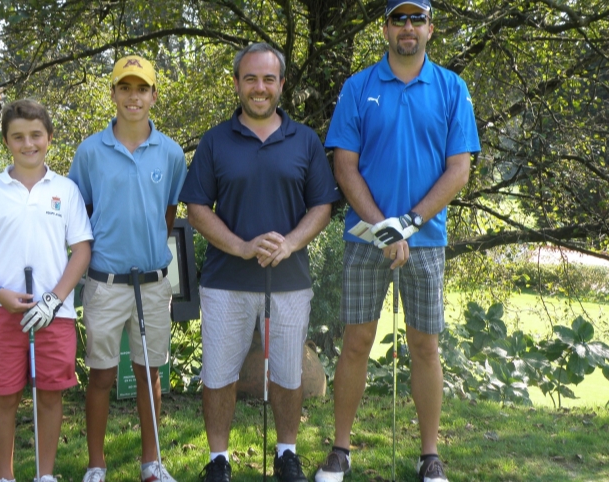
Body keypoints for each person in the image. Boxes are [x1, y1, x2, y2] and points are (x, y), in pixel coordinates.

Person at [314, 1, 481, 481]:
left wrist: (407, 223)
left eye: (417, 19)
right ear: (386, 28)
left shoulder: (452, 88)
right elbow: (344, 165)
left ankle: (430, 455)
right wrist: (384, 226)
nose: (408, 28)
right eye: (398, 19)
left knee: (426, 346)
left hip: (425, 240)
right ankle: (340, 449)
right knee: (356, 342)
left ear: (430, 27)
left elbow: (459, 170)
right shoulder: (358, 86)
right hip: (365, 236)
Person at [179, 42, 342, 482]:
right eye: (250, 78)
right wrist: (242, 246)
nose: (259, 87)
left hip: (288, 280)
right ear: (236, 83)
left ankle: (287, 454)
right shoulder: (215, 140)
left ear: (282, 85)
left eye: (269, 79)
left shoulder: (305, 140)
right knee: (218, 374)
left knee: (289, 374)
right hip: (226, 279)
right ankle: (218, 459)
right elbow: (196, 208)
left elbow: (322, 207)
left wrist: (288, 243)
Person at [68, 55, 187, 482]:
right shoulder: (90, 151)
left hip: (153, 282)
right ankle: (96, 464)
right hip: (105, 282)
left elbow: (168, 212)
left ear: (154, 95)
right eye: (125, 88)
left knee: (148, 372)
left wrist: (148, 246)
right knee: (100, 374)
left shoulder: (171, 153)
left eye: (142, 89)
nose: (133, 97)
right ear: (113, 93)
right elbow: (80, 212)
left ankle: (151, 463)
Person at [0, 99, 93, 482]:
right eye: (18, 136)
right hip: (1, 310)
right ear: (6, 141)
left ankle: (45, 476)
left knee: (50, 395)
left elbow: (81, 249)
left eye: (36, 135)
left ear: (49, 138)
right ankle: (5, 477)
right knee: (3, 397)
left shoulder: (66, 190)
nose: (28, 143)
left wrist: (54, 298)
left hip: (55, 312)